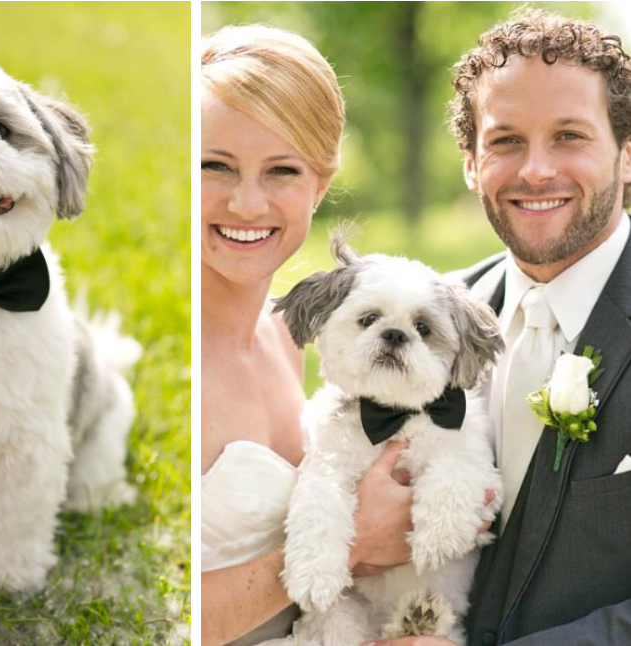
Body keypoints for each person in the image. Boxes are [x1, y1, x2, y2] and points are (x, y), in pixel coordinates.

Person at [367, 8, 631, 646]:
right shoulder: (423, 319)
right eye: (506, 140)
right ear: (470, 162)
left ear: (628, 155)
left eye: (569, 136)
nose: (536, 170)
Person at [201, 25, 417, 646]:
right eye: (217, 165)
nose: (246, 204)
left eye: (281, 171)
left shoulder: (304, 338)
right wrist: (346, 540)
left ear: (319, 185)